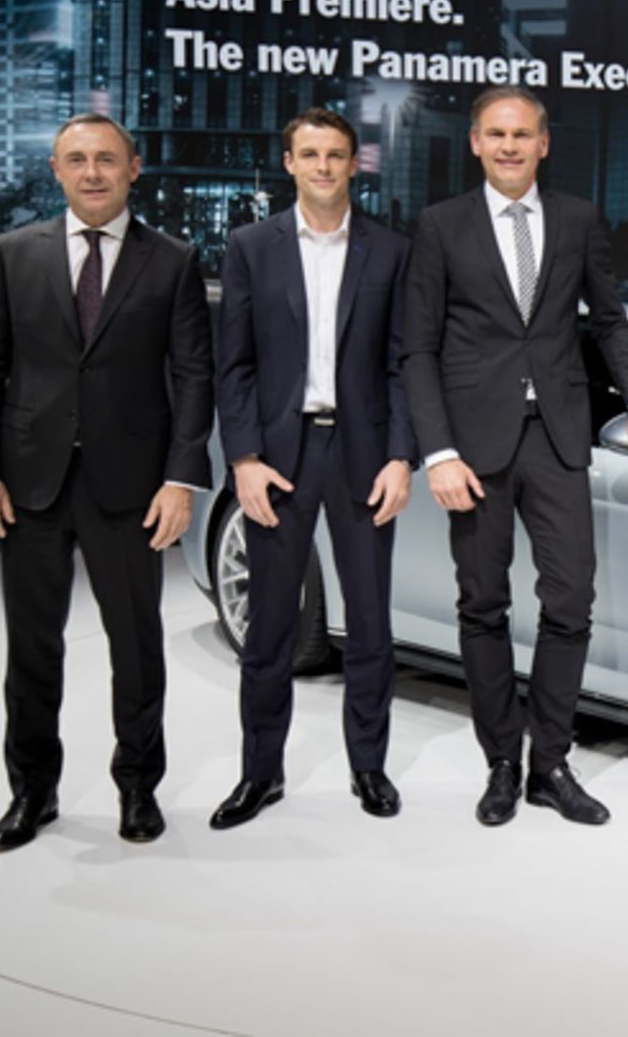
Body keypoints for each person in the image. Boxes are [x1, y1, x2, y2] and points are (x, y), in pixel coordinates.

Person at [402, 86, 628, 826]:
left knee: (571, 601)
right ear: (475, 142)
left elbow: (610, 322)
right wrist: (438, 451)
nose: (509, 146)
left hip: (557, 437)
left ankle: (549, 763)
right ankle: (501, 760)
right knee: (482, 604)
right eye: (496, 134)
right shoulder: (440, 226)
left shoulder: (579, 219)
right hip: (473, 446)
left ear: (544, 144)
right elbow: (417, 349)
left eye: (522, 135)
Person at [0, 112, 213, 849]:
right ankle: (32, 793)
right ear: (56, 170)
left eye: (107, 158)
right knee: (31, 650)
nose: (93, 172)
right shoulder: (14, 253)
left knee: (135, 646)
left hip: (132, 488)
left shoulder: (173, 259)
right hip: (29, 484)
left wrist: (181, 480)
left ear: (134, 168)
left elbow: (193, 377)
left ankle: (138, 788)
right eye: (77, 159)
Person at [209, 109, 415, 827]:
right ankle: (259, 774)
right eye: (310, 153)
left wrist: (401, 456)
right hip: (279, 457)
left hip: (364, 456)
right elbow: (234, 365)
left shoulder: (391, 250)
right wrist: (243, 458)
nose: (323, 166)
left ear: (355, 164)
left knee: (370, 625)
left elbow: (402, 364)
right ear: (289, 163)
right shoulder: (251, 247)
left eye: (335, 154)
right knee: (269, 628)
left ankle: (369, 768)